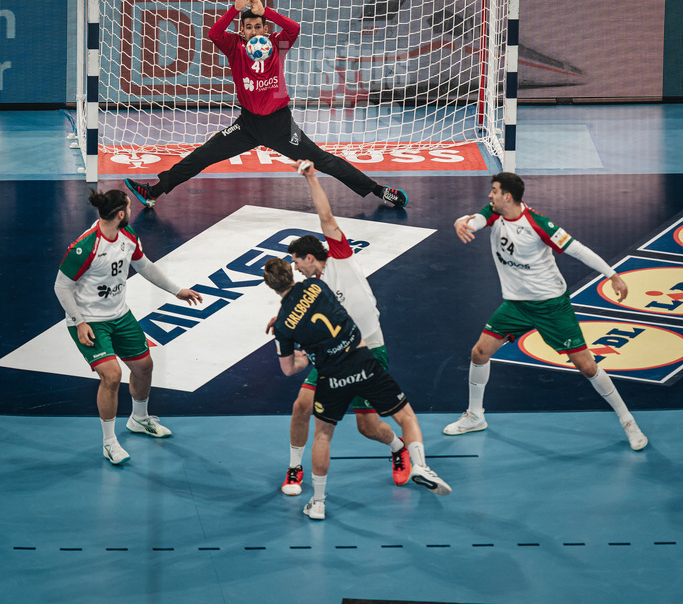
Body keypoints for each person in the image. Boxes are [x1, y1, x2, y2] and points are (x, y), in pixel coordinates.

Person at [125, 0, 408, 209]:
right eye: (248, 27)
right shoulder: (234, 46)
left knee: (323, 160)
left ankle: (379, 191)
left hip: (279, 126)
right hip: (247, 125)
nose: (253, 31)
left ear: (265, 30)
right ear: (242, 31)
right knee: (202, 155)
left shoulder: (277, 43)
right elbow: (213, 33)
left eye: (258, 26)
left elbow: (294, 28)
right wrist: (234, 10)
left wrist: (266, 11)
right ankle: (153, 192)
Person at [443, 172, 648, 452]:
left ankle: (628, 422)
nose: (489, 195)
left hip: (551, 306)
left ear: (508, 196)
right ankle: (475, 416)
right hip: (516, 305)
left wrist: (612, 275)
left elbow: (578, 250)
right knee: (479, 353)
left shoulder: (539, 225)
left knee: (587, 366)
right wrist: (460, 221)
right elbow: (476, 221)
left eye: (494, 191)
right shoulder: (494, 213)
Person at [264, 253, 450, 520]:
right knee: (405, 416)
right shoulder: (317, 285)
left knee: (326, 435)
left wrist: (288, 337)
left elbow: (288, 368)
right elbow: (322, 309)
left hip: (331, 375)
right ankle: (420, 465)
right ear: (291, 273)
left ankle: (318, 503)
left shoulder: (282, 325)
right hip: (363, 362)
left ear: (269, 286)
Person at [274, 159, 413, 498]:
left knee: (368, 425)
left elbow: (326, 217)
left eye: (296, 261)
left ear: (310, 257)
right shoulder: (305, 289)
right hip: (331, 356)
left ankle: (398, 448)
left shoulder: (338, 256)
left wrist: (311, 178)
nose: (295, 267)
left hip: (369, 349)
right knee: (300, 406)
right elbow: (293, 312)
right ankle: (294, 467)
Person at [54, 189, 202, 465]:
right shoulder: (86, 246)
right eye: (129, 208)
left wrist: (176, 290)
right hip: (88, 320)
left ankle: (139, 418)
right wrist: (79, 321)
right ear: (120, 213)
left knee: (144, 366)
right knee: (111, 375)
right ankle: (109, 442)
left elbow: (144, 266)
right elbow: (61, 286)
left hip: (119, 315)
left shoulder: (128, 235)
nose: (132, 211)